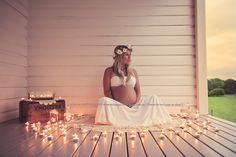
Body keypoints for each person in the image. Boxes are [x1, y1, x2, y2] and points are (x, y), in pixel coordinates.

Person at [95, 44, 172, 127]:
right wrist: (116, 104)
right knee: (103, 101)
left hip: (135, 107)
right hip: (118, 108)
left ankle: (136, 117)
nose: (130, 57)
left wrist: (135, 103)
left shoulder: (133, 71)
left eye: (130, 55)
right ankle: (123, 119)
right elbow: (107, 91)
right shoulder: (109, 71)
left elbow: (138, 91)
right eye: (127, 55)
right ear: (120, 56)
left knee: (154, 98)